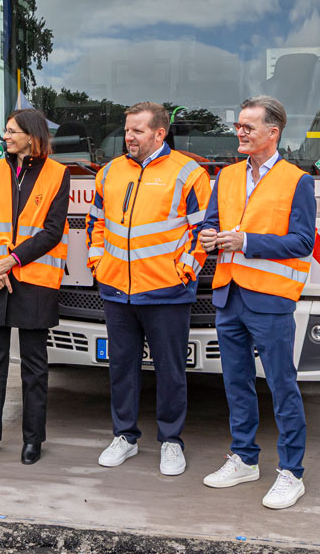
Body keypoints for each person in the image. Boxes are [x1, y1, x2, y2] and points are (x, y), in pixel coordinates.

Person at [197, 96, 316, 510]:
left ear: (273, 132)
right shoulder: (226, 177)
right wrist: (208, 238)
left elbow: (303, 242)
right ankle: (244, 459)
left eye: (248, 126)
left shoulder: (297, 181)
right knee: (236, 383)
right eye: (239, 126)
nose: (240, 132)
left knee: (282, 386)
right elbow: (211, 223)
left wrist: (246, 242)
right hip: (229, 295)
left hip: (270, 300)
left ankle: (292, 473)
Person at [86, 101, 211, 476]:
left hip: (166, 291)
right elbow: (96, 224)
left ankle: (171, 442)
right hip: (116, 291)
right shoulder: (109, 172)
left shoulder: (188, 173)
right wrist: (98, 264)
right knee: (121, 368)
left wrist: (183, 272)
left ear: (160, 133)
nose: (129, 137)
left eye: (137, 131)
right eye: (127, 130)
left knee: (170, 370)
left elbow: (201, 233)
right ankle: (124, 436)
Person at [0, 108, 71, 465]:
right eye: (6, 131)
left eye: (11, 131)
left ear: (31, 135)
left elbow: (52, 231)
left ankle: (33, 440)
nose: (6, 137)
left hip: (35, 281)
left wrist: (12, 261)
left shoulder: (58, 174)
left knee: (34, 366)